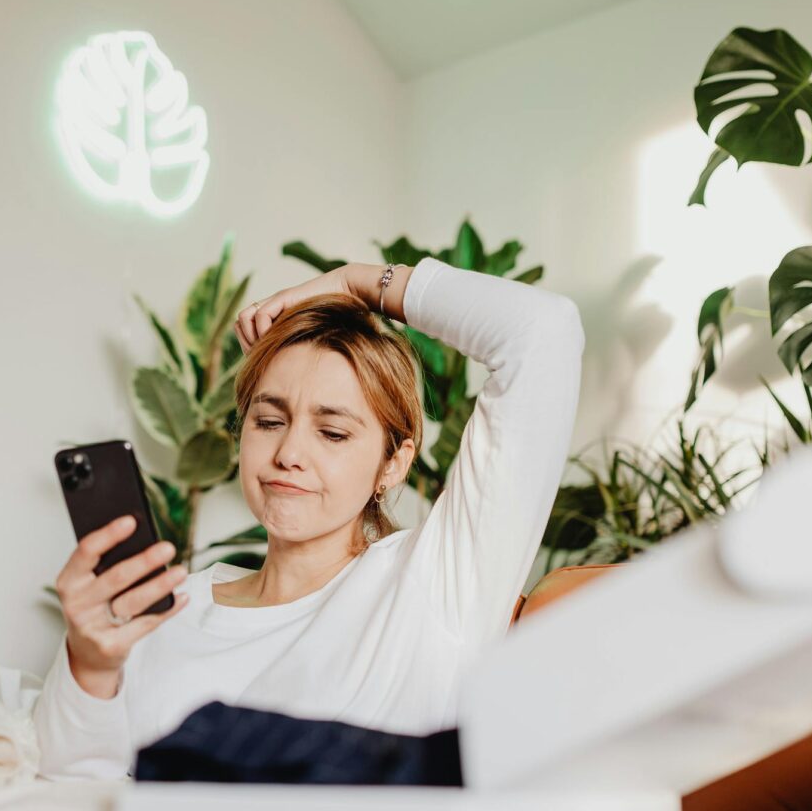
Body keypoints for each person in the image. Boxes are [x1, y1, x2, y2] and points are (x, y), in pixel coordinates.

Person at [33, 258, 585, 779]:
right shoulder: (170, 611)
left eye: (333, 432)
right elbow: (74, 790)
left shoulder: (436, 583)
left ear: (394, 463)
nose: (289, 452)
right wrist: (90, 666)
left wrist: (354, 283)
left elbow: (544, 333)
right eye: (269, 421)